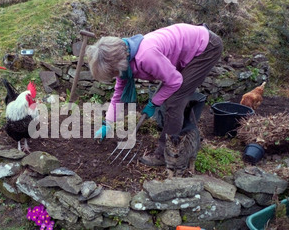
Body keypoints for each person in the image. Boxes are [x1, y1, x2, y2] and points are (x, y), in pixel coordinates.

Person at [86, 23, 223, 166]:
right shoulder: (125, 60)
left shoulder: (146, 56)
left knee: (175, 100)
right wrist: (107, 123)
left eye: (114, 73)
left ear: (119, 62)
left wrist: (154, 102)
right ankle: (186, 135)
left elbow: (175, 81)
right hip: (189, 49)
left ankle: (165, 154)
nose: (115, 76)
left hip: (206, 48)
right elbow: (119, 93)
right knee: (172, 96)